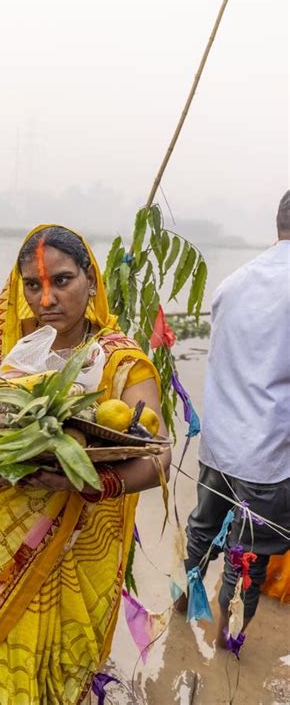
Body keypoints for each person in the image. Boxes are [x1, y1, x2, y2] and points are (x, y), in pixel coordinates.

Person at [0, 225, 171, 704]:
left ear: (91, 282)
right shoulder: (13, 353)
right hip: (5, 538)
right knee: (0, 663)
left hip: (78, 541)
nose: (47, 298)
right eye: (33, 285)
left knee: (63, 667)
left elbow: (158, 455)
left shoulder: (118, 362)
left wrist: (94, 482)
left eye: (62, 280)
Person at [177, 192, 290, 645]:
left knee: (203, 530)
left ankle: (185, 605)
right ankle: (228, 645)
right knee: (249, 558)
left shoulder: (235, 281)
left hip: (220, 443)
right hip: (267, 455)